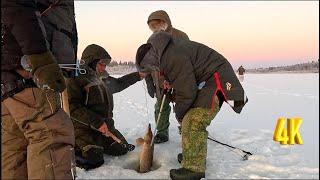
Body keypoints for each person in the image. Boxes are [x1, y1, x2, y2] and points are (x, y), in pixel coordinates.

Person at [136, 32, 248, 180]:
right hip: (206, 81)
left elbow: (187, 92)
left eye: (150, 68)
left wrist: (179, 114)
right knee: (189, 117)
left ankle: (193, 168)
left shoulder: (171, 56)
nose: (152, 71)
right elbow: (185, 75)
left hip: (217, 80)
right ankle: (192, 155)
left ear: (150, 60)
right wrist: (172, 81)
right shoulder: (165, 52)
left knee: (193, 120)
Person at [1, 0, 77, 179]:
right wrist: (40, 59)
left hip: (9, 73)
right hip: (26, 70)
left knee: (15, 144)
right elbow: (14, 5)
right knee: (51, 135)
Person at [67, 44, 145, 170]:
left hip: (105, 127)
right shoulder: (76, 79)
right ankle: (75, 146)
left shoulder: (103, 78)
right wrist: (96, 122)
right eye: (101, 64)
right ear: (91, 62)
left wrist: (137, 76)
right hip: (84, 128)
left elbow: (119, 84)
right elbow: (73, 108)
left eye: (105, 64)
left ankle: (97, 143)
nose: (104, 68)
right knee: (93, 159)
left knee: (121, 148)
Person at [145, 10, 190, 144]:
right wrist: (149, 82)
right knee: (161, 106)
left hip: (179, 80)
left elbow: (187, 59)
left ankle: (187, 129)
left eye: (155, 25)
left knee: (184, 106)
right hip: (159, 81)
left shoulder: (180, 36)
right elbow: (147, 62)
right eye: (151, 26)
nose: (153, 28)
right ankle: (162, 132)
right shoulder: (151, 40)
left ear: (164, 22)